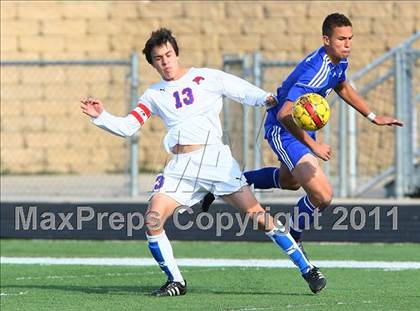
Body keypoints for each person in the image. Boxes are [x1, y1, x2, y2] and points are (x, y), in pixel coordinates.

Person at [80, 28, 326, 297]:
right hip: (181, 166)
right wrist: (101, 116)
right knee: (152, 218)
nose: (165, 61)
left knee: (258, 217)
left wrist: (265, 98)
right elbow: (129, 126)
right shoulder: (153, 94)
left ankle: (307, 268)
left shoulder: (205, 77)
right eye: (158, 58)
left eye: (169, 54)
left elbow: (239, 90)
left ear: (176, 53)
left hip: (215, 160)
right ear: (152, 63)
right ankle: (176, 281)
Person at [201, 13, 403, 254]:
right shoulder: (315, 70)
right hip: (283, 128)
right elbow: (286, 113)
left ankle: (231, 181)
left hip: (300, 127)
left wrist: (372, 116)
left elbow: (342, 85)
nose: (347, 44)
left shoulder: (339, 60)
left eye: (350, 38)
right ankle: (294, 236)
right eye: (341, 39)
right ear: (326, 40)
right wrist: (314, 146)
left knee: (290, 182)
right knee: (323, 195)